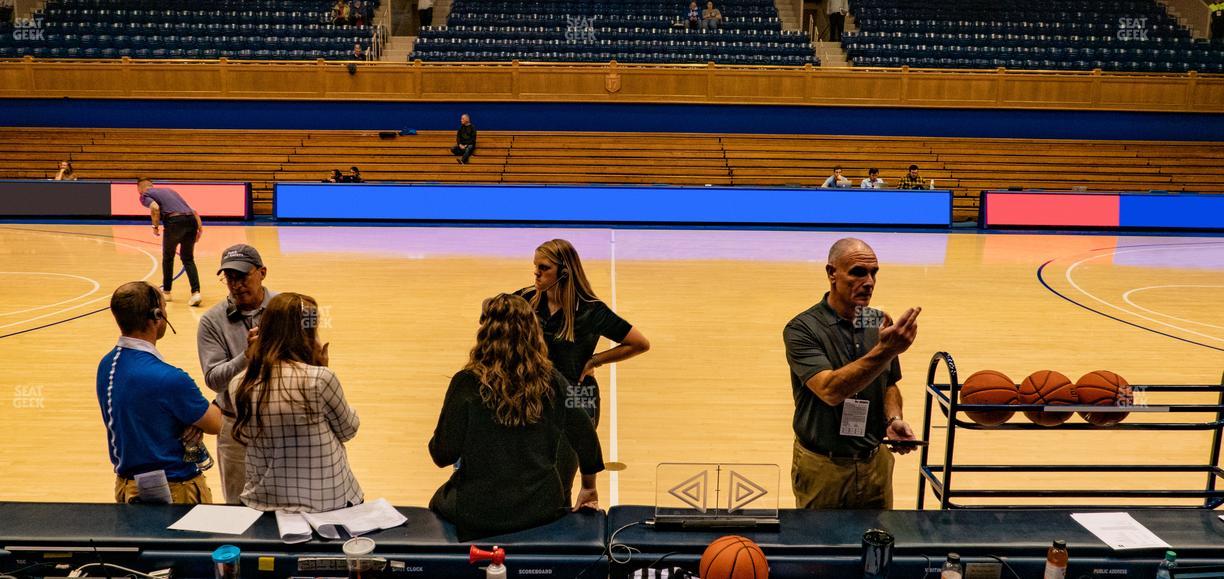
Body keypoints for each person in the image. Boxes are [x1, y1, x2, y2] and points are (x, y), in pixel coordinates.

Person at [429, 294, 604, 541]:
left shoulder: (466, 383)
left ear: (484, 334)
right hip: (541, 507)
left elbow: (441, 455)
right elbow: (586, 432)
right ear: (533, 333)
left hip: (480, 513)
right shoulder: (553, 379)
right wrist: (589, 487)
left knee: (437, 503)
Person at [783, 238, 921, 509]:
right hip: (824, 467)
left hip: (874, 463)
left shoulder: (878, 321)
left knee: (877, 546)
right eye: (858, 272)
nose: (869, 281)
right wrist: (885, 350)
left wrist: (893, 419)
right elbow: (830, 390)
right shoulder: (802, 328)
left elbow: (889, 382)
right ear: (832, 273)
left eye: (874, 273)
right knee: (820, 547)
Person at [514, 239, 649, 501]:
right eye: (535, 267)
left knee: (561, 479)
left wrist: (595, 360)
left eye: (543, 268)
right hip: (535, 397)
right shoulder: (526, 300)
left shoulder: (590, 310)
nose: (536, 273)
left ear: (564, 272)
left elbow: (639, 343)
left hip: (578, 396)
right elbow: (493, 314)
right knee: (535, 477)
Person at [225, 292, 362, 512]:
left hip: (265, 503)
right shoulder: (319, 379)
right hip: (326, 503)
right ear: (305, 335)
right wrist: (320, 368)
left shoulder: (240, 383)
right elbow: (348, 430)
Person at [97, 281, 222, 504]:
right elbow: (215, 423)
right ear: (157, 315)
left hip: (128, 487)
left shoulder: (106, 365)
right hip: (174, 491)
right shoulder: (169, 378)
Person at [198, 244, 279, 504]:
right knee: (238, 506)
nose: (236, 284)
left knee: (287, 505)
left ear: (262, 272)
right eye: (229, 278)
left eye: (243, 276)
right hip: (236, 428)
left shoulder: (291, 308)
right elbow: (213, 379)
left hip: (282, 423)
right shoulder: (211, 321)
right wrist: (246, 357)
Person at [138, 178, 202, 307]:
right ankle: (196, 293)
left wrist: (155, 226)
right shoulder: (170, 191)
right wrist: (199, 229)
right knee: (188, 259)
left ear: (140, 189)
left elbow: (155, 208)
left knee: (168, 257)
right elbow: (193, 211)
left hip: (174, 222)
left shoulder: (145, 195)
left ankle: (167, 292)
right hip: (191, 221)